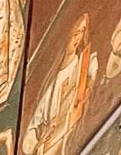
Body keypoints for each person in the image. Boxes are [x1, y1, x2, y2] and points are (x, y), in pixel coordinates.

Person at [22, 15, 97, 155]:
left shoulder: (83, 65)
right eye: (75, 32)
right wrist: (39, 142)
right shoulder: (51, 83)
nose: (77, 37)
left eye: (82, 32)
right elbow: (30, 134)